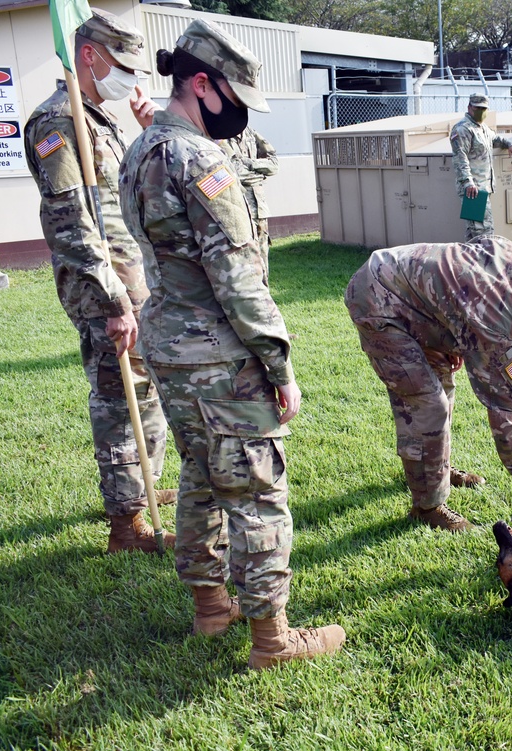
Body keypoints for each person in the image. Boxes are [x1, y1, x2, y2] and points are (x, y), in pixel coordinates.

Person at [118, 18, 345, 669]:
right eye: (237, 97)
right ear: (201, 83)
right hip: (219, 357)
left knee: (201, 478)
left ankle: (211, 608)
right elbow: (238, 277)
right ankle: (273, 639)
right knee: (256, 487)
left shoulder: (142, 150)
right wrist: (280, 364)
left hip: (170, 350)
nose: (240, 113)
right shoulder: (200, 161)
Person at [24, 8, 175, 555]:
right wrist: (112, 300)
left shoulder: (100, 119)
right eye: (123, 65)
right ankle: (127, 524)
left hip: (134, 280)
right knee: (120, 397)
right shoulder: (60, 122)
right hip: (104, 290)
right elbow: (71, 222)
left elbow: (125, 193)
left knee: (146, 388)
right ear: (89, 55)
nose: (131, 78)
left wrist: (148, 130)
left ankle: (142, 490)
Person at [345, 236, 512, 533]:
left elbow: (465, 267)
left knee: (443, 382)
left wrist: (459, 337)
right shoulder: (499, 331)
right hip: (379, 301)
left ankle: (434, 469)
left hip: (406, 290)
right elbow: (508, 425)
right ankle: (427, 506)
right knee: (428, 405)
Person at [449, 93, 512, 241]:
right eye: (478, 108)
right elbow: (460, 158)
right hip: (473, 189)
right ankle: (486, 261)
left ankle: (470, 261)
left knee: (473, 229)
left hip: (484, 186)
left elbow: (495, 138)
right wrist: (468, 182)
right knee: (483, 229)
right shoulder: (462, 129)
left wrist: (510, 145)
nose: (481, 111)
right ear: (469, 108)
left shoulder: (483, 128)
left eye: (484, 108)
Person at [219, 127, 279, 281]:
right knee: (244, 257)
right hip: (239, 208)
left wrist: (250, 163)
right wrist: (259, 173)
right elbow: (233, 172)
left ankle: (264, 295)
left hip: (260, 208)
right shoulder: (221, 135)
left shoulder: (251, 134)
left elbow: (274, 165)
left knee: (263, 255)